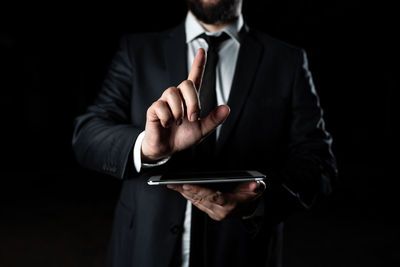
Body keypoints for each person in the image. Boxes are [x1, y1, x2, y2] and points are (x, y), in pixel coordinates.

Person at [72, 0, 337, 266]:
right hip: (143, 250)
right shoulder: (137, 50)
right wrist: (146, 148)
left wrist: (258, 202)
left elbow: (319, 162)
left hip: (243, 254)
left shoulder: (287, 60)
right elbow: (87, 135)